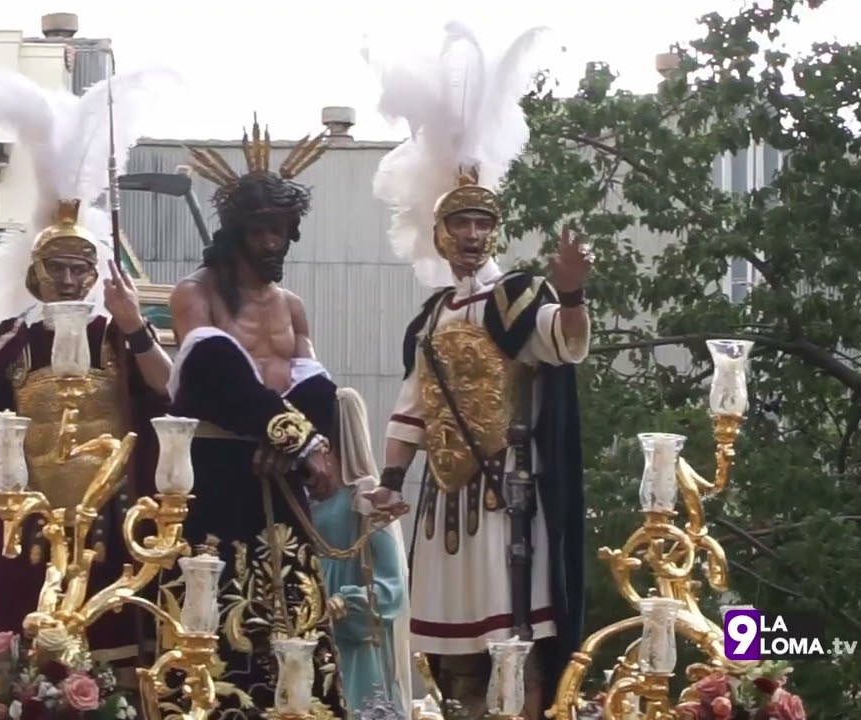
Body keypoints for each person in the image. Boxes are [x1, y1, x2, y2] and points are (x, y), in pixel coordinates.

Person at [366, 23, 591, 720]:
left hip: (505, 500)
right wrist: (392, 481)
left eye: (480, 224)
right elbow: (413, 402)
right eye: (459, 224)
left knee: (512, 640)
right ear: (440, 232)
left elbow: (563, 344)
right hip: (444, 503)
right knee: (452, 656)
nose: (470, 235)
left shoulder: (515, 295)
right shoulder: (432, 315)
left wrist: (574, 293)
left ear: (493, 230)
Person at [0, 67, 174, 671]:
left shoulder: (115, 337)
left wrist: (132, 321)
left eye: (79, 268)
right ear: (36, 274)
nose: (68, 279)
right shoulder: (10, 346)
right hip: (27, 526)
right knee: (23, 657)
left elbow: (164, 385)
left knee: (109, 660)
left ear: (94, 274)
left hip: (111, 521)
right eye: (57, 268)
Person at [166, 116, 349, 718]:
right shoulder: (197, 294)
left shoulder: (292, 305)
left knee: (292, 606)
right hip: (221, 467)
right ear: (237, 232)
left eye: (281, 230)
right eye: (261, 231)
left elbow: (313, 382)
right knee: (218, 606)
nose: (273, 243)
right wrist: (296, 438)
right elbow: (211, 377)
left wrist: (311, 443)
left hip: (281, 474)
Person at [310, 387, 411, 716]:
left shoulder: (364, 497)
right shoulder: (305, 496)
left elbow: (390, 584)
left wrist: (344, 604)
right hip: (308, 630)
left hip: (352, 644)